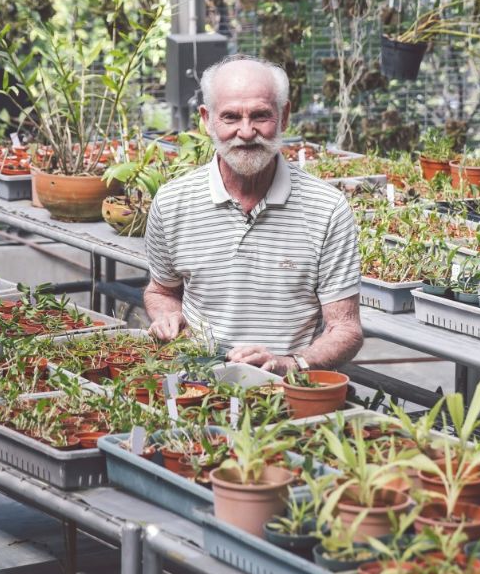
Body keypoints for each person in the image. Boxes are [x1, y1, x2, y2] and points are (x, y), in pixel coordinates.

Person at [142, 54, 364, 375]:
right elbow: (161, 290)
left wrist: (290, 364)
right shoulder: (173, 202)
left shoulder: (327, 208)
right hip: (197, 382)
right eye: (230, 117)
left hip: (287, 391)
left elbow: (345, 328)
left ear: (284, 116)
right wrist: (167, 315)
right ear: (206, 119)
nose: (246, 132)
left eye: (260, 116)